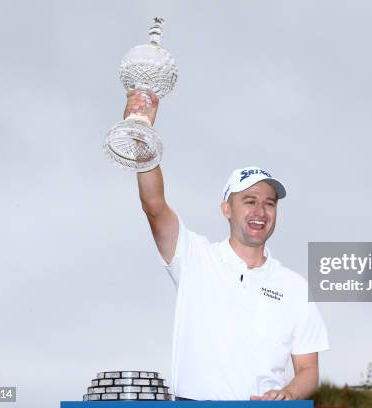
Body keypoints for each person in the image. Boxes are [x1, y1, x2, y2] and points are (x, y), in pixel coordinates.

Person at [125, 91, 329, 401]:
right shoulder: (195, 256)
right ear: (227, 210)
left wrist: (288, 393)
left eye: (269, 204)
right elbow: (153, 205)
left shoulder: (296, 287)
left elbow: (308, 369)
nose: (260, 212)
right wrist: (143, 139)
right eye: (249, 201)